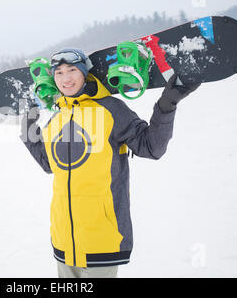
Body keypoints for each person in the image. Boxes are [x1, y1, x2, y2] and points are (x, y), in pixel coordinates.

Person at [20, 48, 200, 278]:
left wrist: (167, 104)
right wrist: (27, 128)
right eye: (59, 73)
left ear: (85, 73)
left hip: (102, 236)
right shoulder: (57, 117)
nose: (66, 78)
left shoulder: (110, 109)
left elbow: (151, 147)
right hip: (63, 238)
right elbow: (50, 164)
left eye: (72, 70)